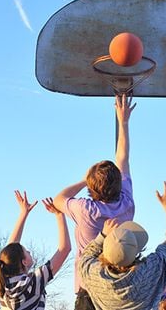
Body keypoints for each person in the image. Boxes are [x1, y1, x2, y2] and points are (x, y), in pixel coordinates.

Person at [53, 94, 136, 310]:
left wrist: (83, 181)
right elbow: (123, 158)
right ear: (119, 184)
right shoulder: (127, 204)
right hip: (118, 288)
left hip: (89, 289)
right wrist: (123, 122)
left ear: (91, 188)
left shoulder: (85, 209)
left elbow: (59, 199)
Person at [78, 179, 166, 310]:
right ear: (136, 251)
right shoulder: (151, 271)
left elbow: (85, 258)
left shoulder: (94, 276)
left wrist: (102, 236)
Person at [0, 191, 71, 310]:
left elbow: (10, 250)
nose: (29, 252)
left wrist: (23, 213)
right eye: (26, 251)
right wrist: (59, 214)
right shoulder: (32, 283)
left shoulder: (5, 289)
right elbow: (65, 249)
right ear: (23, 262)